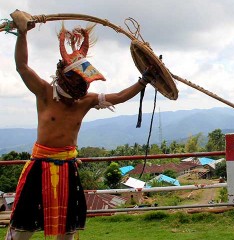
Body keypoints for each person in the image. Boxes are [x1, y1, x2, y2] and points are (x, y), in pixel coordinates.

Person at [5, 12, 153, 240]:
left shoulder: (86, 101)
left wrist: (143, 80)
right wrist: (22, 34)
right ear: (65, 77)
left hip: (67, 167)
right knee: (23, 229)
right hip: (39, 167)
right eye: (78, 81)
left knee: (68, 230)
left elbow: (121, 96)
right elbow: (22, 66)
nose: (81, 86)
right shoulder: (45, 93)